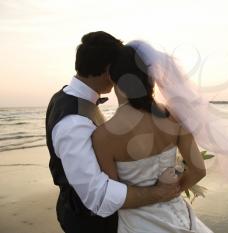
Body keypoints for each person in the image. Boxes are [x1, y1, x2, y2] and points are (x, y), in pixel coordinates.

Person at [45, 32, 181, 233]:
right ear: (109, 70)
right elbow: (97, 195)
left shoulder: (69, 97)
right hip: (90, 224)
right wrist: (159, 192)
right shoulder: (73, 122)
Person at [92, 43, 214, 232]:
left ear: (112, 77)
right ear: (152, 77)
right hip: (179, 218)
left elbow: (115, 197)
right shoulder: (174, 116)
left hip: (137, 225)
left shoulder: (103, 136)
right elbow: (198, 171)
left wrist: (157, 194)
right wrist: (171, 191)